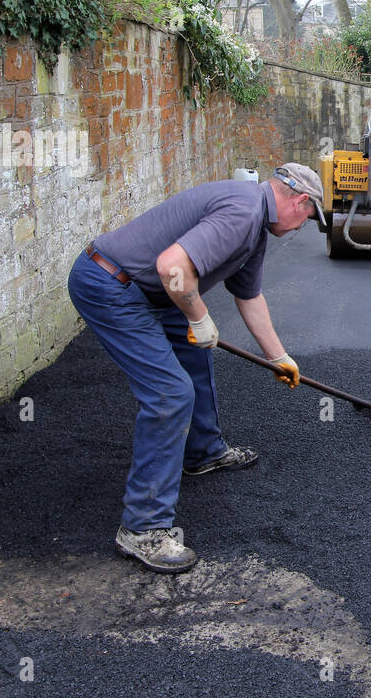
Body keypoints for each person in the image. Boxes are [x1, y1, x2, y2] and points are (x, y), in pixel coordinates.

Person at [66, 163, 326, 574]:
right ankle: (142, 528)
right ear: (300, 201)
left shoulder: (255, 226)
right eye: (308, 217)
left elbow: (250, 296)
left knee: (194, 357)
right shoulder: (242, 212)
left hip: (151, 291)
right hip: (111, 286)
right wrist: (200, 318)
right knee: (170, 393)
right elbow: (173, 266)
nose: (301, 226)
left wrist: (279, 357)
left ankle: (203, 452)